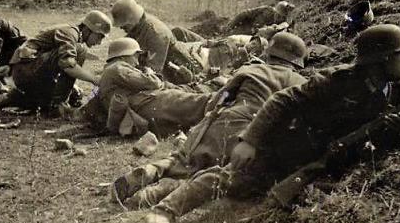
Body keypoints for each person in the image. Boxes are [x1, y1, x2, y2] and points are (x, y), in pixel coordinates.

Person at [141, 24, 400, 223]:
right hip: (287, 144)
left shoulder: (395, 90)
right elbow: (282, 100)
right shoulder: (338, 80)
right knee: (231, 178)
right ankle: (163, 212)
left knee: (261, 196)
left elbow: (375, 135)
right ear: (381, 59)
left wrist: (391, 132)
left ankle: (166, 189)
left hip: (324, 159)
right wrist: (250, 141)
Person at [110, 32, 309, 207]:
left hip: (226, 123)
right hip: (255, 137)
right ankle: (155, 194)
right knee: (216, 176)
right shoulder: (301, 83)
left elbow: (216, 101)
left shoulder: (251, 70)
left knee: (186, 161)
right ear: (296, 61)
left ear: (270, 53)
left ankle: (153, 169)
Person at [93, 37, 213, 138]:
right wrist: (150, 73)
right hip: (142, 110)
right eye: (135, 56)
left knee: (186, 102)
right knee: (186, 100)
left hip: (139, 114)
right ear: (125, 56)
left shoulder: (111, 70)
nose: (136, 62)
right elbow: (153, 83)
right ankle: (217, 102)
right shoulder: (117, 68)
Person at [0, 10, 111, 114]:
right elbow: (68, 65)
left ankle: (21, 98)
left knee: (76, 95)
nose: (99, 42)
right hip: (25, 72)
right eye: (99, 36)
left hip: (30, 71)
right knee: (80, 50)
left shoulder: (74, 34)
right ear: (89, 29)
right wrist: (94, 79)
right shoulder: (70, 32)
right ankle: (57, 105)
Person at [111, 0, 204, 84]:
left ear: (132, 20)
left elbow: (153, 74)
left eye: (124, 25)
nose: (121, 28)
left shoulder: (156, 34)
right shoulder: (138, 26)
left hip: (176, 74)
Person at [224, 1, 295, 35]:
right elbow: (244, 14)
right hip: (246, 28)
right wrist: (230, 26)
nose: (280, 18)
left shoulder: (284, 22)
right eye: (279, 16)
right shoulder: (266, 12)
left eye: (282, 17)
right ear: (275, 12)